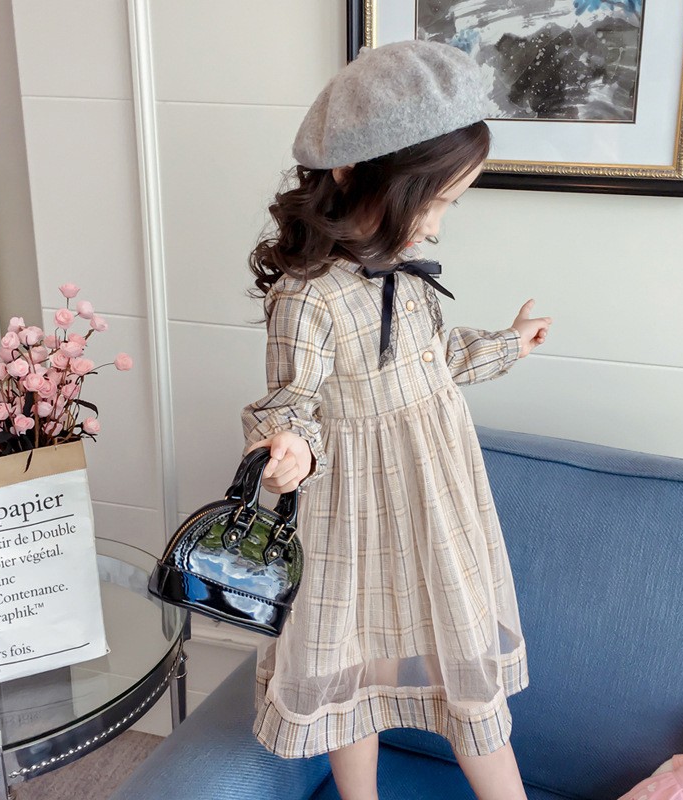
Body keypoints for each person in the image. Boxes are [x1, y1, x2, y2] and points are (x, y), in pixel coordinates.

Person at [241, 39, 552, 800]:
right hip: (349, 512)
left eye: (450, 205)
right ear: (353, 173)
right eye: (433, 202)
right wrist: (289, 448)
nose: (438, 227)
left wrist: (509, 343)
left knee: (467, 664)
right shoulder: (307, 296)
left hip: (438, 505)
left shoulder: (404, 276)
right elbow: (292, 402)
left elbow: (434, 361)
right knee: (349, 665)